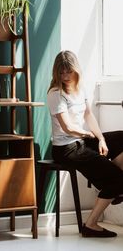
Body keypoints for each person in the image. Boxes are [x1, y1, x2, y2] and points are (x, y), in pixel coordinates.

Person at [47, 50, 123, 238]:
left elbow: (88, 115)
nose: (65, 76)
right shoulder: (55, 93)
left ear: (75, 70)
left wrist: (101, 138)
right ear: (56, 73)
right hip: (66, 148)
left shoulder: (81, 88)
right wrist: (87, 134)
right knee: (119, 179)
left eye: (68, 71)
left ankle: (107, 182)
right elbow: (67, 127)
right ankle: (91, 224)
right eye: (61, 72)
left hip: (82, 141)